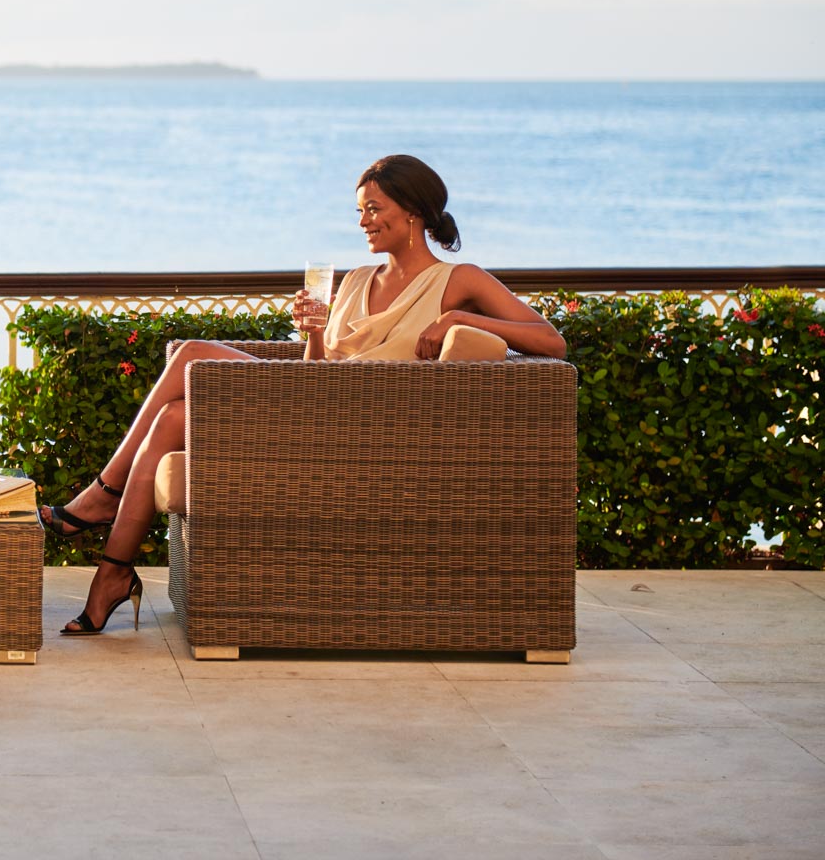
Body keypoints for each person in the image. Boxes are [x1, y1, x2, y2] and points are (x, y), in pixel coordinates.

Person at [38, 154, 567, 636]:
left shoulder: (459, 280)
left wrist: (456, 316)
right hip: (314, 408)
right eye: (359, 211)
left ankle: (101, 498)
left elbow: (551, 341)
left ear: (413, 211)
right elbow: (319, 369)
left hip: (361, 430)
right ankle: (113, 572)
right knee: (173, 418)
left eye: (373, 209)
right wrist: (313, 331)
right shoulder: (356, 280)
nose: (363, 222)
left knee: (193, 354)